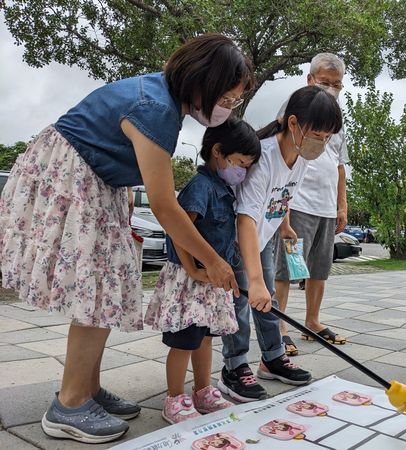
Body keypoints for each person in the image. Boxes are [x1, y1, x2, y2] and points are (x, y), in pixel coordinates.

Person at [0, 33, 253, 443]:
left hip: (98, 181)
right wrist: (216, 261)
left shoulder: (162, 99)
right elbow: (165, 205)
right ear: (203, 82)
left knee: (105, 286)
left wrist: (195, 259)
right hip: (77, 177)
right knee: (98, 290)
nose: (229, 106)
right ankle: (70, 403)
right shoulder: (155, 109)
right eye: (228, 96)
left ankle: (88, 387)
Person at [218, 86, 343, 402]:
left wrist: (285, 226)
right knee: (242, 302)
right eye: (317, 134)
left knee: (268, 300)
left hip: (264, 236)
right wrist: (255, 279)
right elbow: (244, 218)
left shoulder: (301, 157)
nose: (322, 144)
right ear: (293, 124)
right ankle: (234, 368)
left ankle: (272, 359)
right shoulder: (263, 157)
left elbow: (283, 196)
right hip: (237, 242)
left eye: (328, 138)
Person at [144, 119, 261, 423]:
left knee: (206, 337)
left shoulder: (224, 188)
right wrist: (192, 269)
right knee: (184, 340)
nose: (242, 171)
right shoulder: (201, 187)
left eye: (248, 166)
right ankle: (174, 398)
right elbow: (177, 229)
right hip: (190, 279)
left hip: (212, 279)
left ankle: (203, 389)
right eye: (240, 163)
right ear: (218, 152)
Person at [273, 53, 349, 356]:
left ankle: (312, 321)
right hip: (298, 204)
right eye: (324, 82)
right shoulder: (296, 107)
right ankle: (279, 327)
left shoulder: (338, 118)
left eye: (337, 85)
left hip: (326, 208)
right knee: (286, 270)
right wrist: (285, 210)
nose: (331, 89)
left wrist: (341, 205)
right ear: (310, 79)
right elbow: (282, 157)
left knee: (320, 268)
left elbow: (340, 165)